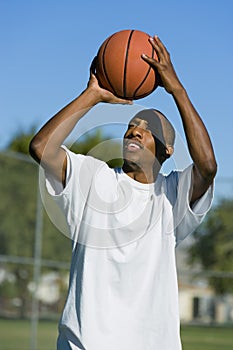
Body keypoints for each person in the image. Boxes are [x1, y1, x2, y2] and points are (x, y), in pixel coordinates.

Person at [29, 36, 217, 350]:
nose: (134, 130)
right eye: (131, 125)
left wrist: (177, 90)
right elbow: (41, 148)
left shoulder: (173, 196)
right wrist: (92, 95)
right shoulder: (92, 178)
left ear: (167, 149)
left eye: (147, 128)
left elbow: (208, 166)